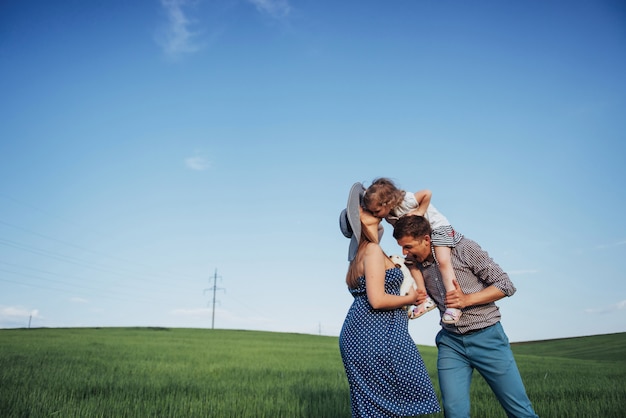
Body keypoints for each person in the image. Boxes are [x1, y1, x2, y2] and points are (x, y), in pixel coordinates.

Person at [392, 215, 539, 418]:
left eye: (408, 246)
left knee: (519, 410)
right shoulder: (414, 265)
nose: (405, 252)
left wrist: (466, 300)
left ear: (426, 239)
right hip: (451, 343)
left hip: (487, 337)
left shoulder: (464, 249)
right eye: (401, 247)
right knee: (454, 412)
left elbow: (506, 285)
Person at [338, 182, 441, 418]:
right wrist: (411, 297)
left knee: (380, 407)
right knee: (398, 400)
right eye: (363, 208)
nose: (370, 208)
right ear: (360, 221)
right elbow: (377, 300)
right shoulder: (372, 250)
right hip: (375, 335)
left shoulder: (370, 251)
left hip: (370, 334)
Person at [363, 177, 463, 323]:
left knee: (443, 261)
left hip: (437, 228)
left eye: (377, 211)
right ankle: (425, 297)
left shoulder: (406, 201)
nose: (375, 215)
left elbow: (427, 193)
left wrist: (420, 211)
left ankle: (454, 304)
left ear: (387, 203)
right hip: (420, 236)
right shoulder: (388, 216)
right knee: (410, 263)